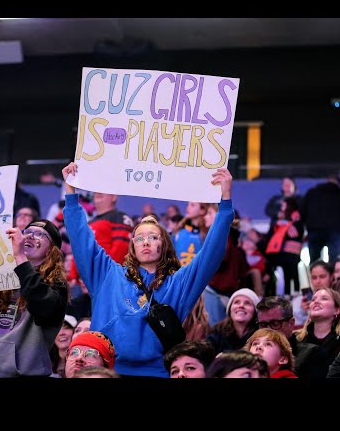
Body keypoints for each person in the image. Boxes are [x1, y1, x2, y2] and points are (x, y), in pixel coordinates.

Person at [62, 161, 234, 377]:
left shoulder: (179, 283)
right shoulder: (108, 275)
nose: (146, 242)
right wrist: (71, 193)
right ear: (132, 245)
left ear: (164, 244)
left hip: (158, 373)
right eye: (140, 238)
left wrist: (225, 203)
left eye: (153, 237)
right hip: (107, 372)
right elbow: (81, 239)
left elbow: (211, 253)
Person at [0, 218, 68, 377]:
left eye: (39, 234)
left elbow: (45, 310)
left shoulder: (57, 285)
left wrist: (20, 258)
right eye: (27, 232)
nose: (29, 236)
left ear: (51, 251)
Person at [294, 288, 340, 378]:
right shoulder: (296, 338)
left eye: (324, 298)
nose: (316, 301)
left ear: (337, 310)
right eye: (313, 299)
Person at [256, 295, 324, 379]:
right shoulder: (252, 354)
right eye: (263, 325)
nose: (268, 330)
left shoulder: (311, 354)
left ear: (291, 323)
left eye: (275, 324)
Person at [300, 175, 340, 263]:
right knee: (334, 261)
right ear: (339, 184)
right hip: (336, 233)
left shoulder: (311, 194)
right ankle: (333, 276)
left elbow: (302, 212)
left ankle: (314, 276)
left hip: (314, 232)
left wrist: (308, 228)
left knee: (314, 261)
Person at [206, 288, 259, 355]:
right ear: (230, 309)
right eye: (236, 302)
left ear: (255, 311)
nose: (241, 306)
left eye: (247, 303)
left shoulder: (260, 335)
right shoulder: (217, 332)